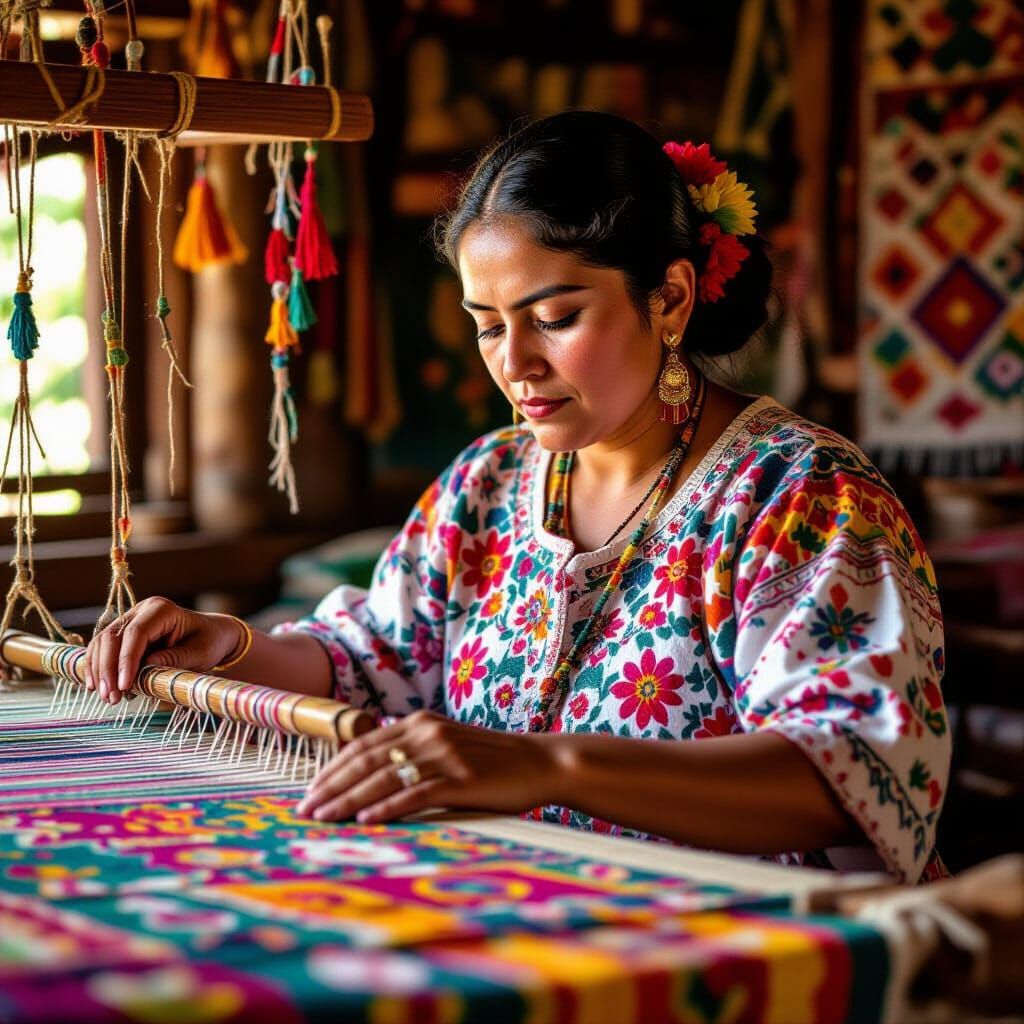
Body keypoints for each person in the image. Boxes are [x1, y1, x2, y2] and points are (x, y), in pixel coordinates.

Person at [86, 111, 950, 883]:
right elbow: (377, 658)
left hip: (745, 950)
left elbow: (850, 771)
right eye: (489, 325)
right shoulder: (487, 484)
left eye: (557, 317)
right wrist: (230, 649)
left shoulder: (798, 495)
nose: (515, 363)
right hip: (516, 918)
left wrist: (547, 768)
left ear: (671, 297)